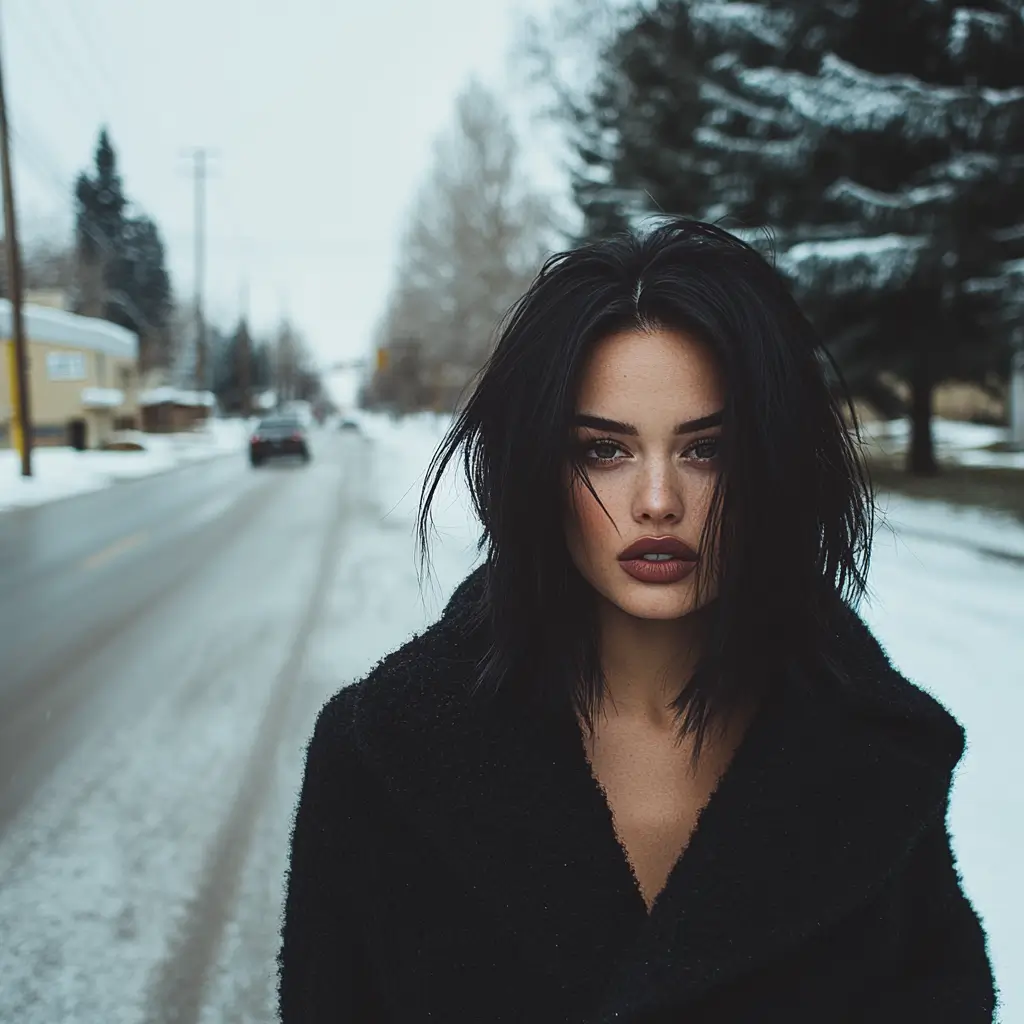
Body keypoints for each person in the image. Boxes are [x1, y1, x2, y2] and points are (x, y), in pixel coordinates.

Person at [278, 220, 997, 1022]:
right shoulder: (378, 763)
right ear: (539, 469)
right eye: (604, 450)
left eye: (707, 450)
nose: (658, 501)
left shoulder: (873, 761)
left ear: (771, 464)